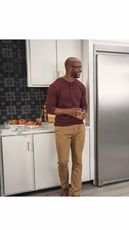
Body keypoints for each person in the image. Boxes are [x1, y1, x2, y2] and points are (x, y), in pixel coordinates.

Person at [46, 57, 87, 196]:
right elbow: (50, 109)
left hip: (79, 128)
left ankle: (76, 192)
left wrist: (84, 113)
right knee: (63, 162)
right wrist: (68, 111)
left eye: (80, 67)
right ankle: (65, 187)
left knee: (78, 161)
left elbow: (84, 105)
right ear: (69, 67)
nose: (80, 69)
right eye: (78, 67)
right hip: (62, 128)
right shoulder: (55, 86)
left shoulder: (81, 86)